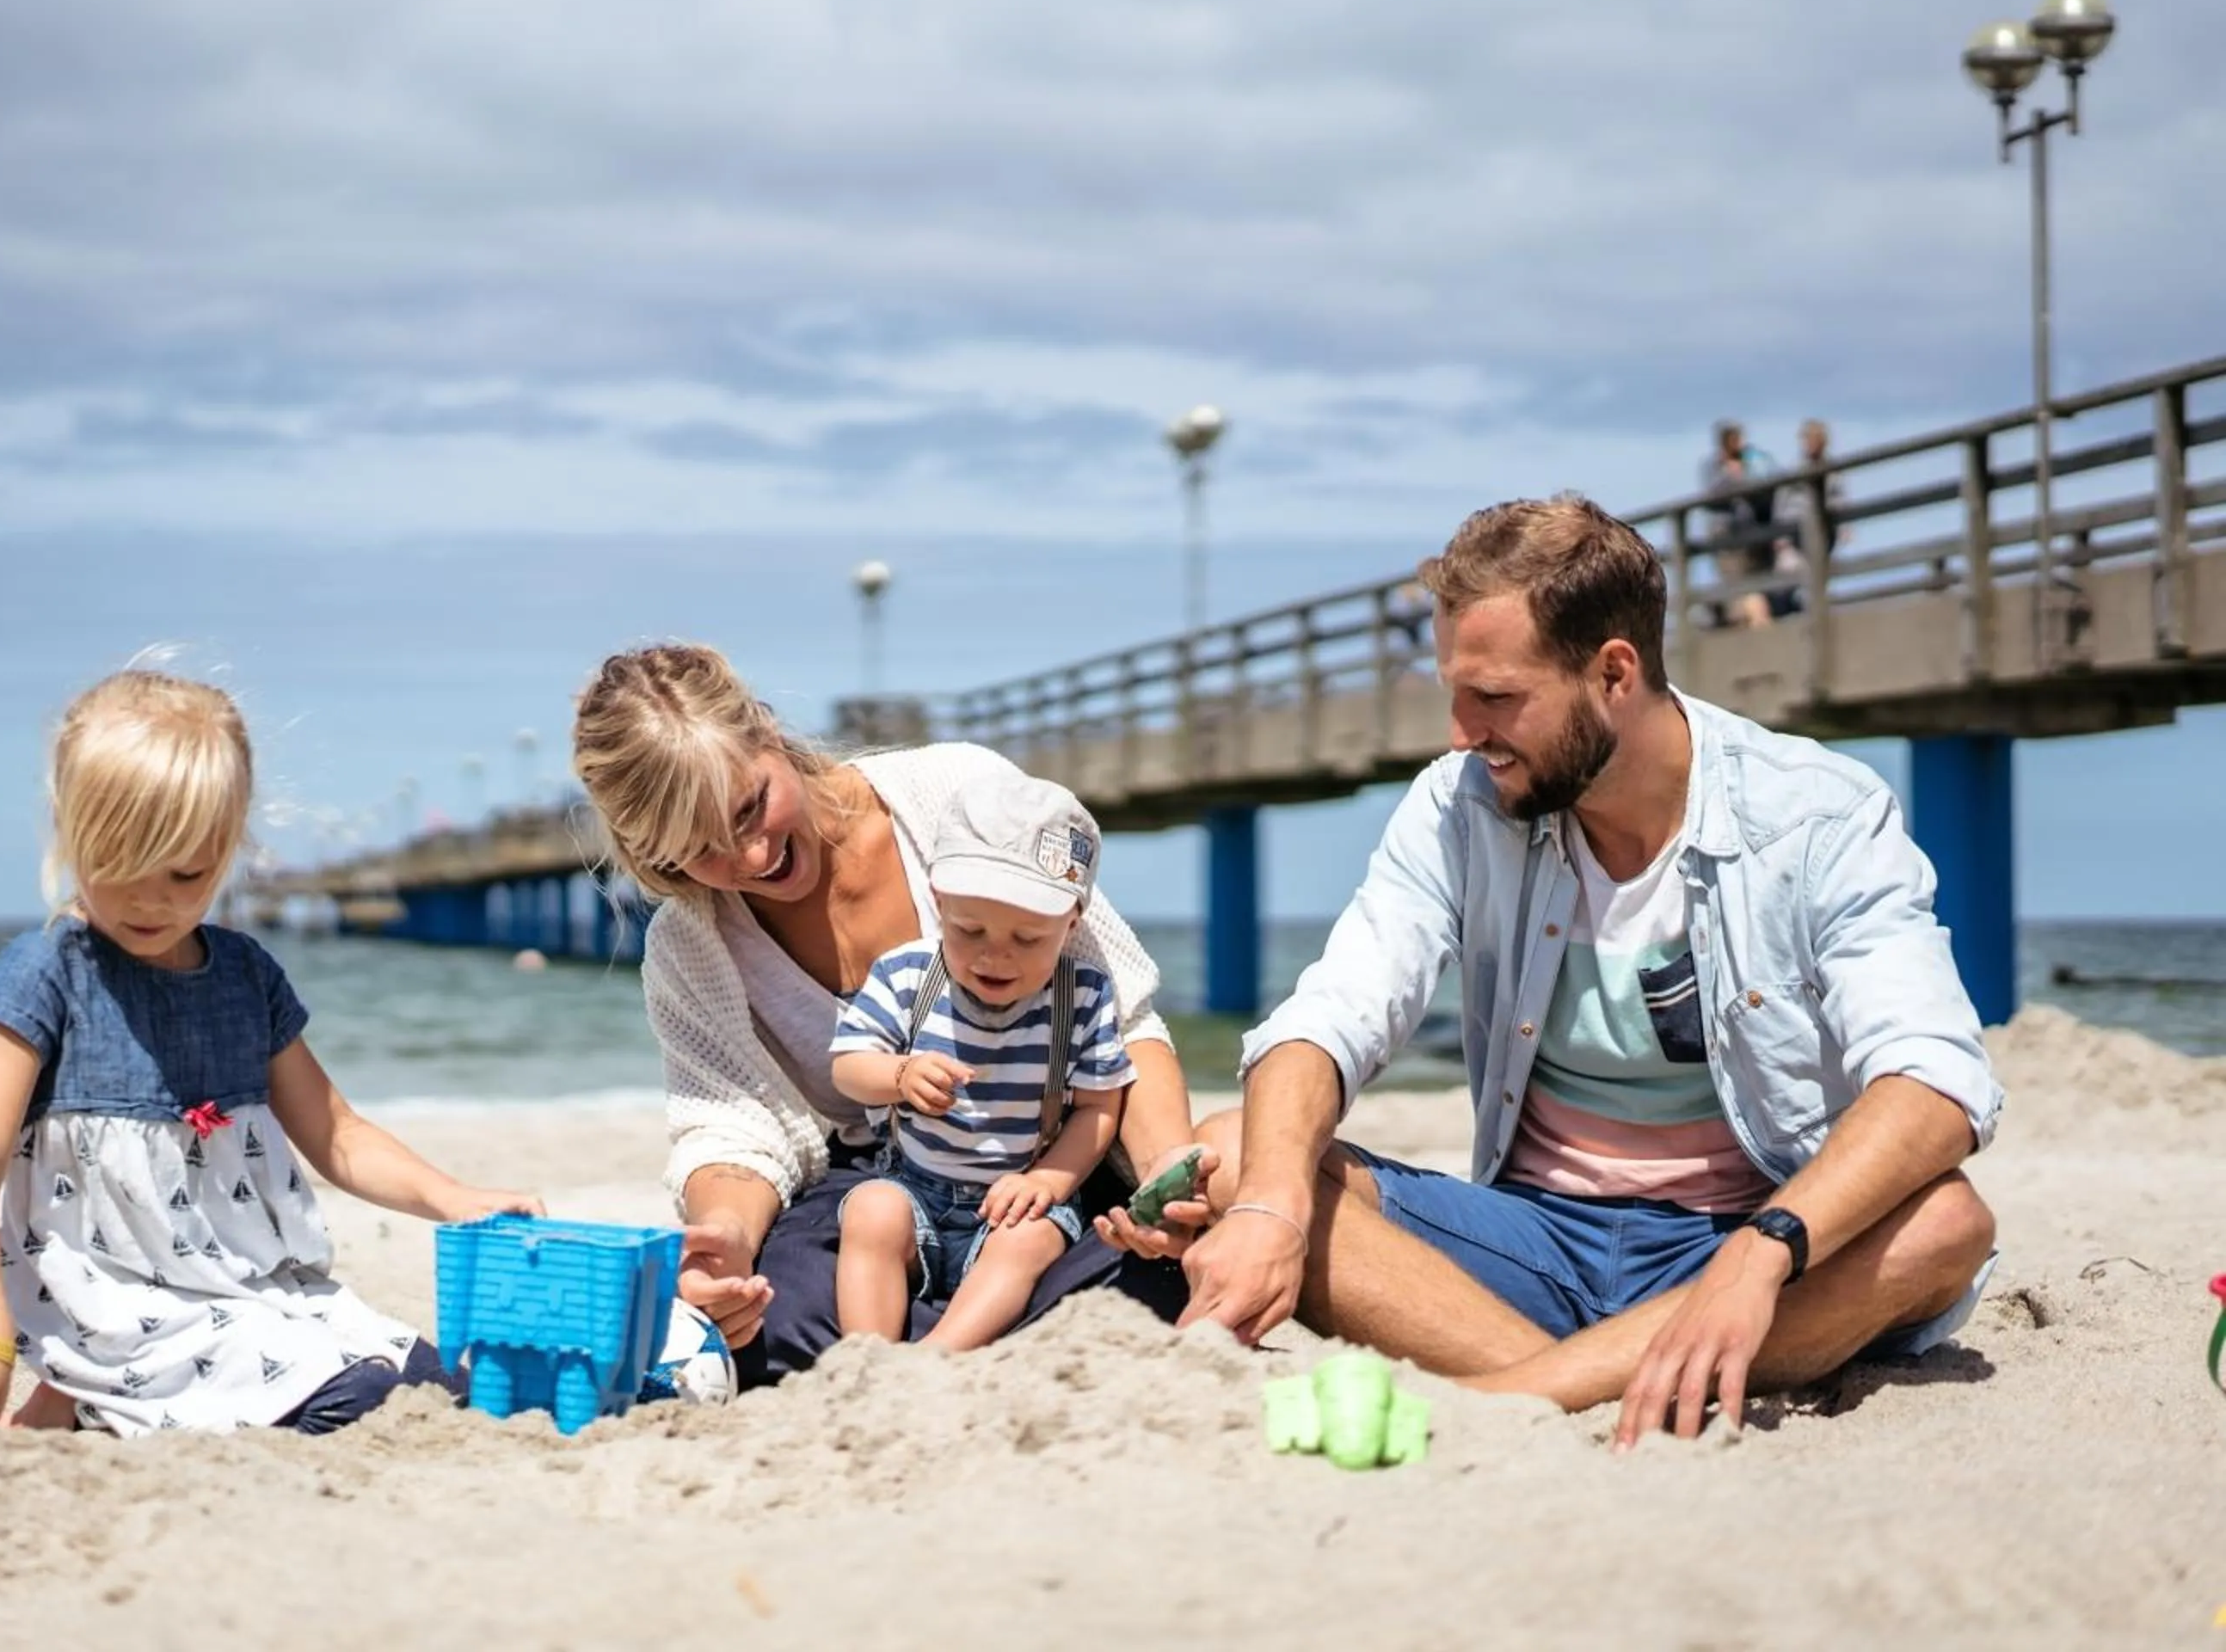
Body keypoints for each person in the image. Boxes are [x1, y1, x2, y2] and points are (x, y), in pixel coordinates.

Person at [1166, 495, 2002, 1450]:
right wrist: (1272, 1207)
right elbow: (1333, 1013)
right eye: (1454, 692)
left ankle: (1508, 1390)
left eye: (1494, 696)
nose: (1459, 731)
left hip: (1743, 1240)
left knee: (1947, 1224)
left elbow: (1936, 1081)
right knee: (1235, 1153)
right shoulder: (1461, 805)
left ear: (1614, 671)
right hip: (1528, 1238)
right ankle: (1576, 1379)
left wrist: (1759, 1252)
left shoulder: (1817, 817)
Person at [0, 668, 541, 1437]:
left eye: (187, 872)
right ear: (67, 827)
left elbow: (337, 1134)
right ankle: (87, 1391)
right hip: (122, 1308)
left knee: (435, 1386)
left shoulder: (245, 974)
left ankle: (84, 1407)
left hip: (258, 1290)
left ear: (235, 841)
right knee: (360, 1405)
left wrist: (454, 1199)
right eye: (120, 863)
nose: (153, 899)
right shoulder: (46, 973)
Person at [569, 644, 1201, 1385]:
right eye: (699, 852)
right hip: (888, 1176)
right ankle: (952, 1347)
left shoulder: (958, 792)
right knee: (769, 1321)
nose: (752, 856)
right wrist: (725, 1245)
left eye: (750, 807)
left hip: (1046, 1162)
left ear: (767, 732)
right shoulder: (689, 944)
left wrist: (1165, 1179)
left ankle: (944, 1343)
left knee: (1153, 1271)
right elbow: (734, 1131)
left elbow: (1123, 1020)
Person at [829, 772, 1135, 1350]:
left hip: (1014, 1198)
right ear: (939, 902)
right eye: (970, 931)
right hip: (914, 1188)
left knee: (1028, 1242)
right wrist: (898, 1075)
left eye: (1028, 939)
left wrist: (1051, 1178)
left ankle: (941, 1353)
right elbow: (848, 1065)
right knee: (870, 1212)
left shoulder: (1082, 995)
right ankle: (867, 1355)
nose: (996, 955)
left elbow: (1099, 1107)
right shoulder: (908, 974)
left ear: (1071, 923)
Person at [1699, 419, 1781, 629]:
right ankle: (1746, 623)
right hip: (1727, 538)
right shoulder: (1714, 467)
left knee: (1755, 585)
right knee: (1738, 586)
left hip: (1754, 534)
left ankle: (1756, 622)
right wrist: (1733, 476)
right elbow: (1710, 497)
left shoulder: (1755, 461)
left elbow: (1770, 484)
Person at [1762, 418, 1847, 619]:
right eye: (1809, 439)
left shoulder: (1833, 470)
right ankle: (1784, 616)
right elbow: (1782, 503)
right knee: (1787, 579)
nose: (1812, 443)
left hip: (1824, 534)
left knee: (1818, 580)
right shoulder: (1796, 469)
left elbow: (1840, 500)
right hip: (1795, 534)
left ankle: (1817, 616)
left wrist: (1843, 525)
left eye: (1816, 439)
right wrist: (1780, 536)